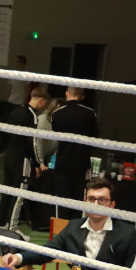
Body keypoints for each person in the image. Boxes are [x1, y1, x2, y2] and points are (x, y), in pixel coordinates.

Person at [2, 178, 136, 270]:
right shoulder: (73, 227)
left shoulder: (128, 233)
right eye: (91, 199)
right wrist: (19, 257)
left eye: (102, 200)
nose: (96, 204)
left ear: (112, 205)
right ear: (85, 201)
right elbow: (47, 250)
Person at [0, 84, 50, 232]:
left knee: (7, 190)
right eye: (45, 103)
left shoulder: (15, 111)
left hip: (9, 156)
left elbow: (5, 133)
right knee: (19, 194)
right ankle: (12, 229)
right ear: (40, 100)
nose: (44, 107)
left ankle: (1, 224)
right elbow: (32, 142)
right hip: (22, 159)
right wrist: (37, 164)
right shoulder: (31, 116)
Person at [50, 86, 99, 217]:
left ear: (66, 94)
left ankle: (61, 234)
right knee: (80, 202)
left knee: (62, 202)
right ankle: (78, 234)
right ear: (82, 97)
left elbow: (55, 135)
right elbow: (95, 138)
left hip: (62, 163)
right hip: (81, 164)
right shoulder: (89, 113)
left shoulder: (57, 113)